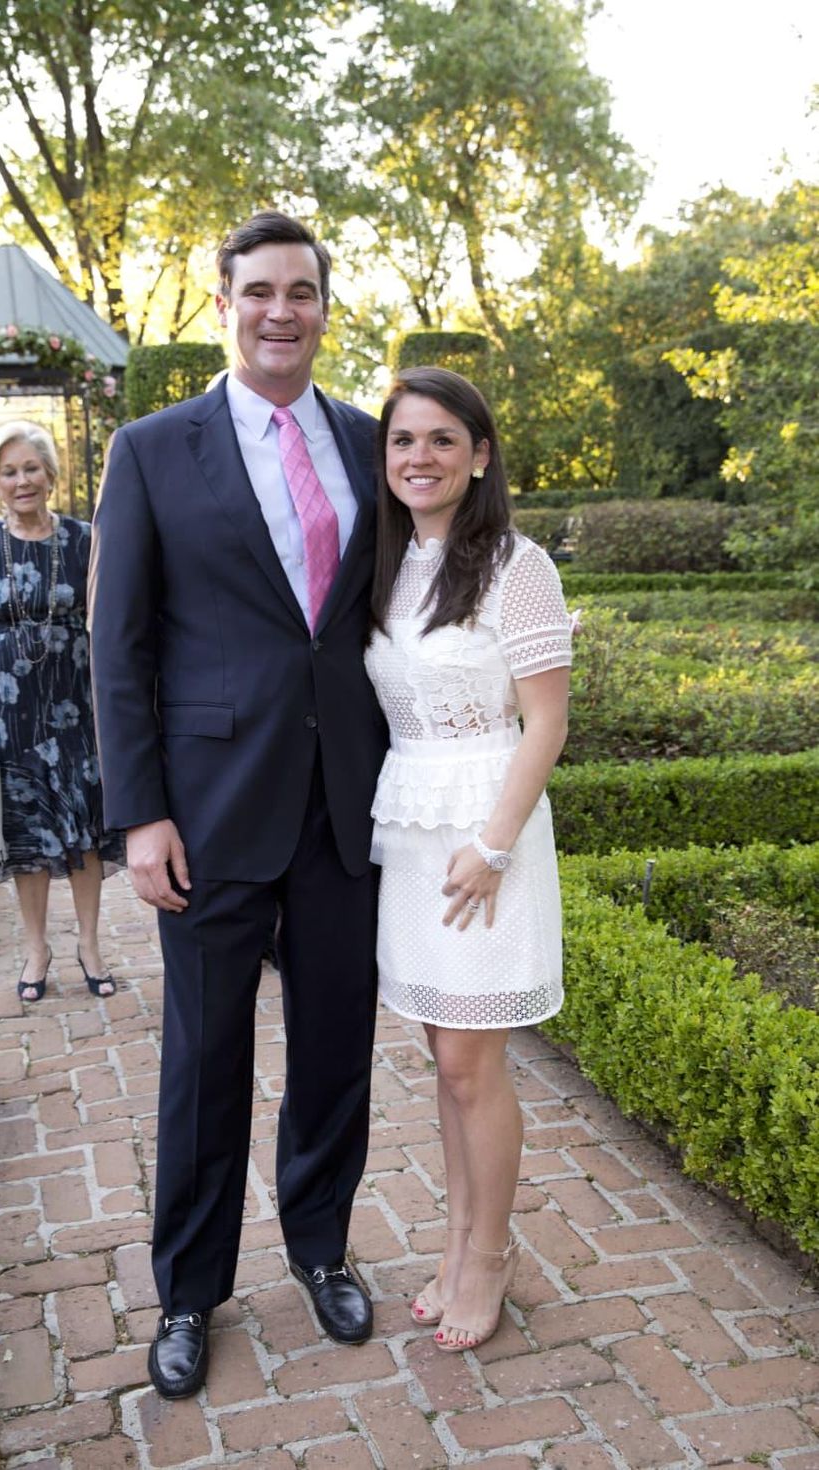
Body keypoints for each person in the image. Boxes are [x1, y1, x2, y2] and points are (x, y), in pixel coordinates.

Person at [88, 212, 388, 1400]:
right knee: (203, 1061)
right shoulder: (154, 448)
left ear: (323, 307)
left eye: (300, 292)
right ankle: (188, 1290)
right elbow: (119, 648)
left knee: (334, 1051)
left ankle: (318, 1246)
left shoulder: (370, 444)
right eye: (258, 291)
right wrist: (139, 813)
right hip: (205, 815)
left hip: (345, 804)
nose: (280, 311)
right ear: (221, 305)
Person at [365, 368, 572, 1354]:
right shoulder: (386, 561)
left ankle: (488, 1256)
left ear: (478, 454)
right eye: (403, 440)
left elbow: (547, 721)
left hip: (485, 828)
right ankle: (456, 1243)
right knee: (439, 1060)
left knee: (467, 1059)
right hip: (409, 827)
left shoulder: (514, 564)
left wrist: (491, 846)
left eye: (441, 439)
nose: (420, 457)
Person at [0, 420, 124, 1002]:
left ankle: (90, 944)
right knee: (26, 832)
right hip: (10, 709)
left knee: (83, 828)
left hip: (79, 702)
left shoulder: (83, 539)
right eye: (9, 472)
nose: (21, 480)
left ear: (50, 474)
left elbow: (108, 619)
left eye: (30, 468)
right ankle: (35, 948)